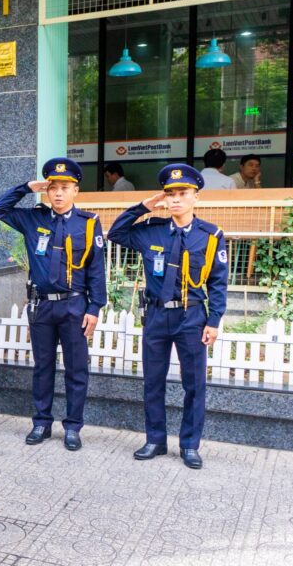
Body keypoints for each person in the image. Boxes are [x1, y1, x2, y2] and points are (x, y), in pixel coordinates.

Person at [107, 163, 228, 470]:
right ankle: (155, 440)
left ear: (196, 197)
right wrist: (143, 207)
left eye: (183, 193)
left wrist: (214, 320)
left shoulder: (211, 236)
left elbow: (218, 282)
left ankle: (189, 445)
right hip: (157, 316)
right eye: (170, 194)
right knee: (153, 381)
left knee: (194, 385)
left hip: (192, 317)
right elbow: (116, 233)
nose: (176, 199)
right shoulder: (152, 230)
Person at [0, 158, 107, 451]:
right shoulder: (33, 219)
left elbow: (96, 268)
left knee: (76, 369)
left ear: (75, 191)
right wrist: (27, 187)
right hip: (42, 306)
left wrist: (95, 308)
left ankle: (73, 427)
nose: (58, 193)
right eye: (52, 187)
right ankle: (41, 422)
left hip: (74, 306)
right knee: (42, 367)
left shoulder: (88, 223)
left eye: (65, 188)